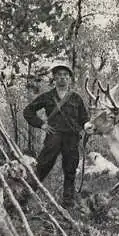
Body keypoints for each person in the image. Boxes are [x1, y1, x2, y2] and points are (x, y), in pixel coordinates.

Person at [23, 63, 89, 208]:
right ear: (54, 78)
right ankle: (24, 197)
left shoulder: (76, 98)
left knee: (70, 169)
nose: (62, 78)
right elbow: (28, 111)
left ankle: (68, 202)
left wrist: (88, 127)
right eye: (59, 75)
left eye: (65, 75)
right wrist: (42, 124)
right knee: (42, 167)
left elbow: (84, 119)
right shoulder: (47, 96)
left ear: (70, 79)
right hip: (54, 137)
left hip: (71, 138)